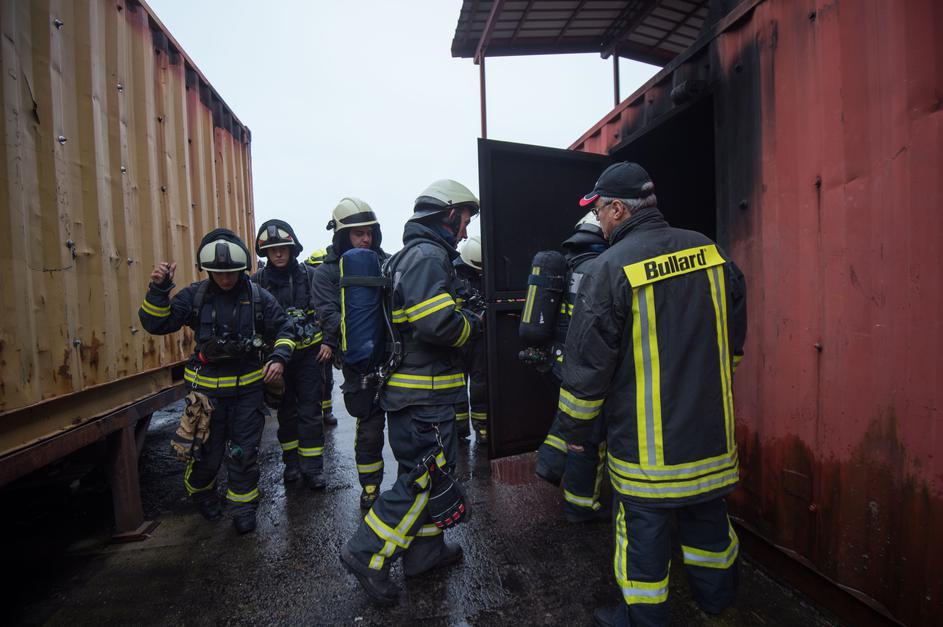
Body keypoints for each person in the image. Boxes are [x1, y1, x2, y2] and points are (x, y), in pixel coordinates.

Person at [557, 162, 747, 626]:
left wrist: (576, 435)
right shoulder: (710, 251)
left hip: (648, 452)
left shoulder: (609, 269)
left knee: (642, 538)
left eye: (600, 211)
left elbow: (587, 369)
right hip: (710, 441)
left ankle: (642, 620)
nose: (599, 221)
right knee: (708, 526)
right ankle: (717, 600)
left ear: (618, 209)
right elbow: (733, 340)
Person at [340, 179, 482, 605]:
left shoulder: (416, 255)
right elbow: (437, 323)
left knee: (426, 475)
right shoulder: (426, 257)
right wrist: (475, 323)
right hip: (423, 397)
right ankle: (365, 553)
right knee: (425, 479)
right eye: (464, 220)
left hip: (419, 395)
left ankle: (425, 553)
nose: (464, 230)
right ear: (447, 214)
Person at [138, 228, 295, 534]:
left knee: (243, 454)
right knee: (206, 458)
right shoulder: (194, 296)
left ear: (242, 269)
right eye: (218, 273)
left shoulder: (258, 298)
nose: (225, 280)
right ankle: (202, 494)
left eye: (232, 273)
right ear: (207, 270)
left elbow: (286, 328)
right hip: (205, 397)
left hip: (247, 395)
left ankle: (244, 508)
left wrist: (278, 358)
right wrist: (159, 290)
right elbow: (157, 323)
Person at [311, 197, 389, 509]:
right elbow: (327, 314)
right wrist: (356, 337)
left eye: (370, 232)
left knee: (407, 424)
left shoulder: (387, 262)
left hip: (394, 355)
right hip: (360, 362)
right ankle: (370, 486)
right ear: (343, 236)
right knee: (369, 428)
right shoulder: (326, 275)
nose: (366, 239)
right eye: (358, 234)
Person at [534, 212, 609, 523]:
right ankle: (580, 506)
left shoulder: (567, 265)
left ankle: (552, 466)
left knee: (573, 423)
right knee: (590, 437)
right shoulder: (601, 268)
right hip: (588, 368)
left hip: (560, 363)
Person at [252, 220, 326, 489]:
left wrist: (328, 342)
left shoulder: (310, 276)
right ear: (266, 254)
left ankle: (313, 469)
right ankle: (292, 465)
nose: (279, 254)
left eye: (283, 248)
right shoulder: (256, 282)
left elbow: (326, 310)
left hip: (308, 357)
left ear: (292, 247)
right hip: (276, 361)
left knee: (310, 411)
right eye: (272, 250)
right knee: (286, 412)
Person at [452, 235, 488, 444]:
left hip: (479, 340)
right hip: (458, 339)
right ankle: (459, 429)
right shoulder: (451, 272)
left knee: (480, 385)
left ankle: (482, 428)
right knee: (457, 385)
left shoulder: (482, 269)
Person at [305, 248, 337, 426]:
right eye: (315, 266)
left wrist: (329, 342)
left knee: (326, 378)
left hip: (324, 341)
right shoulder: (305, 285)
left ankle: (327, 410)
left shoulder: (327, 285)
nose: (319, 270)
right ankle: (314, 413)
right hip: (308, 344)